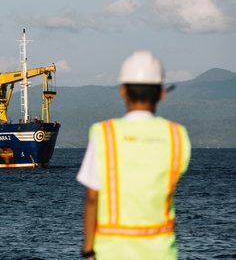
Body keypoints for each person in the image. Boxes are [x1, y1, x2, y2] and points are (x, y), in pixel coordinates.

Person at [77, 51, 191, 259]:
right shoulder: (177, 135)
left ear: (122, 91)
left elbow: (92, 198)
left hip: (111, 252)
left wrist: (88, 251)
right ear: (162, 93)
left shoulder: (104, 134)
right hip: (161, 252)